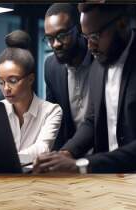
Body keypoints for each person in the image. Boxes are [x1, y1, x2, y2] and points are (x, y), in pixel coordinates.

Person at [33, 4, 136, 173]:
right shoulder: (100, 64)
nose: (89, 46)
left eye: (94, 36)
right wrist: (66, 153)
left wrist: (83, 165)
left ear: (122, 24)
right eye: (86, 37)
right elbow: (92, 120)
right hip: (108, 178)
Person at [0, 30, 63, 162]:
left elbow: (42, 148)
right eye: (0, 82)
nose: (6, 88)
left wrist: (7, 159)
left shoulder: (51, 111)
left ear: (30, 79)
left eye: (13, 80)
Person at [44, 3, 94, 150]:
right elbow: (55, 118)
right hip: (69, 156)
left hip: (103, 157)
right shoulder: (50, 66)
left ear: (79, 29)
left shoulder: (100, 58)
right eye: (50, 38)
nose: (56, 44)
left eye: (62, 35)